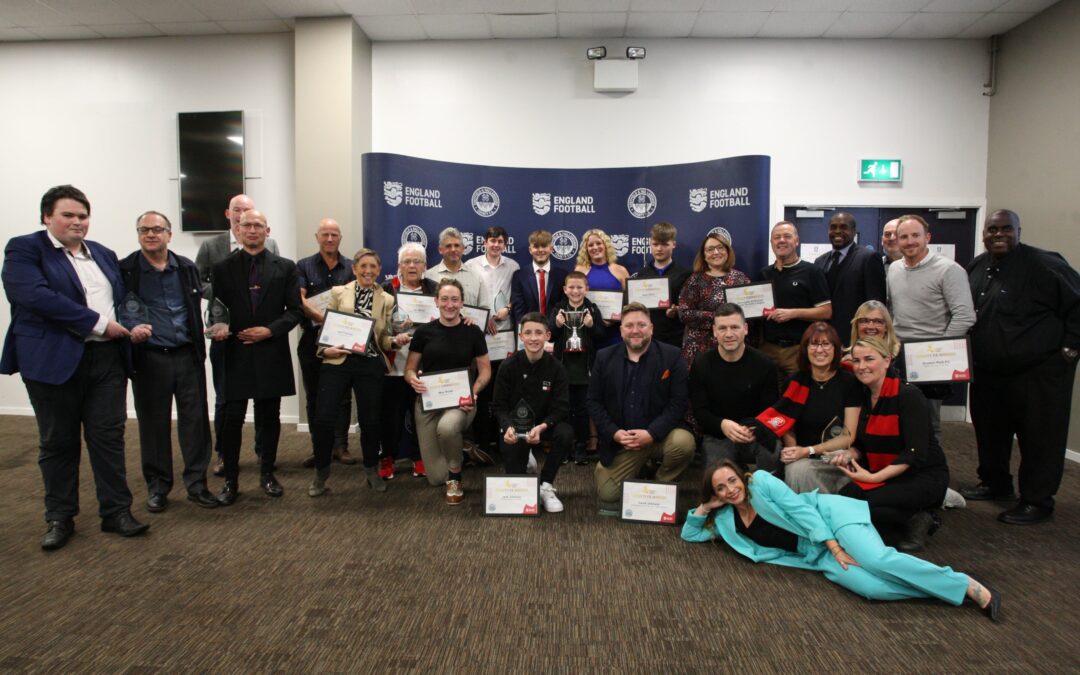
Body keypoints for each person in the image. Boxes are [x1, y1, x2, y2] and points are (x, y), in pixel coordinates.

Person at [1, 185, 148, 550]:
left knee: (109, 439)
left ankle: (116, 512)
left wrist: (133, 324)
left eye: (83, 216)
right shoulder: (24, 249)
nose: (77, 222)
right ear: (47, 217)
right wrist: (100, 323)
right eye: (68, 215)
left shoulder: (103, 253)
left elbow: (121, 300)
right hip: (53, 362)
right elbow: (35, 297)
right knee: (58, 442)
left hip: (106, 360)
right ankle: (59, 518)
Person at [681, 462, 1001, 622]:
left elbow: (802, 512)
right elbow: (691, 534)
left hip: (832, 522)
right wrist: (706, 507)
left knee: (878, 561)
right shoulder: (725, 521)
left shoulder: (761, 482)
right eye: (720, 488)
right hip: (816, 556)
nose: (730, 490)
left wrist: (835, 545)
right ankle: (945, 587)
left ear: (741, 476)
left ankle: (965, 585)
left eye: (732, 481)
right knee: (872, 589)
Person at [962, 209, 1080, 525]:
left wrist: (1069, 350)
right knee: (989, 430)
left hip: (1038, 372)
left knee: (1039, 437)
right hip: (988, 370)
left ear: (1018, 231)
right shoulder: (978, 264)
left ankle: (1037, 501)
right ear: (983, 233)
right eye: (992, 229)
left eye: (1005, 229)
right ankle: (995, 483)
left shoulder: (1045, 264)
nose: (998, 235)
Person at [119, 211, 218, 512]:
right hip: (150, 358)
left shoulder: (186, 268)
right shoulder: (126, 270)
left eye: (157, 229)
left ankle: (197, 484)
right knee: (153, 424)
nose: (151, 234)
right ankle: (158, 487)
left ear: (169, 234)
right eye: (144, 230)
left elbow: (208, 302)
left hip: (187, 356)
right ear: (138, 235)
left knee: (196, 423)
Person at [208, 209, 303, 504]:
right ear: (237, 230)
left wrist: (270, 331)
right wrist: (218, 327)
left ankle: (266, 473)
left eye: (257, 225)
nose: (251, 230)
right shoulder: (222, 268)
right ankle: (232, 481)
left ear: (267, 230)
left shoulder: (285, 267)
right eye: (246, 225)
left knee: (269, 417)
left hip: (269, 350)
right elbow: (216, 309)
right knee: (233, 418)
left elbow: (295, 311)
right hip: (234, 351)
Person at [308, 249, 409, 497]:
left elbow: (382, 338)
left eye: (373, 267)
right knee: (324, 418)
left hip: (369, 363)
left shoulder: (386, 299)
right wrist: (324, 349)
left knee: (371, 420)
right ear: (354, 269)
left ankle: (371, 470)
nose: (368, 271)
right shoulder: (338, 293)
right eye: (363, 266)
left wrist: (395, 342)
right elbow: (324, 329)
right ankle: (321, 473)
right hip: (338, 360)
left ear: (378, 270)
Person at [837, 337, 950, 552]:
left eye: (869, 359)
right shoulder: (863, 396)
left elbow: (914, 453)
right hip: (889, 472)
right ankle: (914, 517)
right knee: (846, 499)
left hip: (923, 476)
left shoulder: (909, 395)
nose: (861, 367)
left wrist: (873, 478)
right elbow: (861, 444)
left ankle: (921, 517)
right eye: (857, 361)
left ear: (887, 360)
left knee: (862, 505)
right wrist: (849, 453)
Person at [194, 194, 280, 476]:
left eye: (252, 216)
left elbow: (272, 286)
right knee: (227, 403)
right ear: (232, 218)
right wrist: (228, 295)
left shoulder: (274, 249)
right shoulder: (212, 248)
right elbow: (199, 282)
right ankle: (224, 456)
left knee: (267, 406)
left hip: (263, 338)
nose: (249, 225)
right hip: (227, 336)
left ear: (265, 230)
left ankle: (263, 456)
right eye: (239, 214)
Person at [586, 303, 695, 516]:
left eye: (641, 325)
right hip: (623, 440)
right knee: (608, 495)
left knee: (684, 443)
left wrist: (652, 433)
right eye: (629, 326)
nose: (635, 330)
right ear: (621, 330)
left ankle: (660, 483)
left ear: (651, 328)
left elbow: (678, 403)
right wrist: (614, 433)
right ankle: (640, 468)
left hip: (660, 437)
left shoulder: (672, 356)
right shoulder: (604, 357)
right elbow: (593, 402)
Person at [404, 279, 492, 504]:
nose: (450, 304)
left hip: (462, 401)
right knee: (435, 477)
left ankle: (455, 477)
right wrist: (413, 379)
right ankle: (459, 447)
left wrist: (474, 391)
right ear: (436, 301)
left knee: (447, 427)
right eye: (444, 299)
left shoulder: (473, 332)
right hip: (429, 401)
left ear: (462, 302)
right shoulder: (424, 332)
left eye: (455, 299)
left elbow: (485, 372)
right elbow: (409, 370)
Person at [887, 214, 975, 438]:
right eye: (903, 236)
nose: (909, 241)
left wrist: (940, 351)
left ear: (927, 237)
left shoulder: (949, 270)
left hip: (931, 359)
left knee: (928, 423)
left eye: (915, 235)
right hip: (898, 355)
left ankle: (932, 471)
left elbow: (964, 316)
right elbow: (892, 310)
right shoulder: (894, 269)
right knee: (898, 418)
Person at [752, 322, 861, 493]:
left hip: (837, 457)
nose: (819, 350)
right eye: (814, 344)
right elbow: (786, 424)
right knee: (796, 470)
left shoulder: (849, 382)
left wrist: (808, 451)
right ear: (805, 349)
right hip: (804, 458)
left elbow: (849, 436)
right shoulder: (795, 381)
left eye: (826, 344)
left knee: (801, 471)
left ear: (836, 348)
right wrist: (793, 451)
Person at [492, 313, 572, 513]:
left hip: (543, 426)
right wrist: (506, 427)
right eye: (528, 333)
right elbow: (499, 406)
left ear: (547, 335)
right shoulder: (507, 366)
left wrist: (544, 426)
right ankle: (525, 458)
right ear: (520, 336)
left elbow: (562, 407)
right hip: (515, 429)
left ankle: (545, 485)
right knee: (517, 489)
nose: (533, 338)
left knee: (566, 432)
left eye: (538, 333)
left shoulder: (557, 368)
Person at [689, 303, 779, 470]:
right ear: (714, 331)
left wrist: (752, 428)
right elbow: (700, 412)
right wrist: (722, 424)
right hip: (718, 434)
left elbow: (770, 409)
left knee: (773, 453)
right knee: (715, 474)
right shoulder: (701, 364)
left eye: (734, 327)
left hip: (754, 432)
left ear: (745, 328)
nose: (729, 334)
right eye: (722, 328)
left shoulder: (764, 364)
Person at [296, 218, 356, 469]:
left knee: (342, 396)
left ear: (340, 238)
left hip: (344, 341)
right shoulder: (303, 266)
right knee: (314, 396)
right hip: (312, 340)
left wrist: (336, 324)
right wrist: (325, 320)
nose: (330, 239)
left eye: (334, 234)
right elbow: (300, 300)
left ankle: (341, 446)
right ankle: (319, 446)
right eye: (325, 234)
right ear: (317, 237)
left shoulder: (351, 266)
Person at [379, 242, 436, 480]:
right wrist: (393, 336)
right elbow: (376, 327)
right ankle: (387, 457)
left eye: (417, 262)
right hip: (394, 364)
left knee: (421, 416)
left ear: (425, 266)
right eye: (407, 262)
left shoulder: (434, 288)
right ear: (399, 265)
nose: (412, 266)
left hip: (423, 366)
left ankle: (419, 457)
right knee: (390, 416)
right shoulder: (385, 289)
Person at [464, 226, 520, 456]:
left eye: (500, 241)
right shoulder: (471, 266)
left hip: (505, 335)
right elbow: (467, 297)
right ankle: (483, 442)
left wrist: (507, 309)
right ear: (484, 243)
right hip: (480, 334)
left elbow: (517, 297)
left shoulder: (513, 266)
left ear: (505, 244)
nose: (495, 245)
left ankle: (503, 440)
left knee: (504, 388)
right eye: (492, 241)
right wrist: (484, 317)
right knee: (483, 388)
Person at [759, 221, 832, 378]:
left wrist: (793, 313)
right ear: (771, 242)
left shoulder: (812, 272)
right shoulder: (764, 274)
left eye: (787, 236)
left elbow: (826, 312)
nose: (782, 240)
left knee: (798, 397)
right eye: (777, 237)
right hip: (767, 350)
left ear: (796, 240)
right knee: (770, 398)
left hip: (797, 350)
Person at [549, 270, 605, 463]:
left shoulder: (593, 309)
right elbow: (551, 336)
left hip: (584, 369)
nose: (575, 291)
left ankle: (581, 446)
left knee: (582, 410)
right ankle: (565, 447)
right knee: (563, 410)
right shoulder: (558, 309)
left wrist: (591, 325)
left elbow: (601, 336)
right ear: (565, 290)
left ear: (586, 289)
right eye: (571, 287)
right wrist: (556, 325)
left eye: (579, 287)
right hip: (563, 369)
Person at [678, 231, 751, 372]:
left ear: (728, 251)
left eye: (720, 247)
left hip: (733, 347)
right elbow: (684, 314)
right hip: (699, 348)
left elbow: (750, 312)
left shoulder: (741, 279)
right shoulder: (694, 280)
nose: (716, 252)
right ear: (704, 255)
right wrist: (719, 318)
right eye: (710, 249)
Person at [814, 212, 886, 346]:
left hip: (856, 338)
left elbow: (876, 304)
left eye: (843, 227)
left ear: (853, 231)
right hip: (826, 338)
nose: (837, 231)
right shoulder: (820, 261)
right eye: (833, 227)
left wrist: (869, 341)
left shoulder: (868, 258)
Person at [630, 222, 690, 349]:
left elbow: (690, 308)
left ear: (673, 244)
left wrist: (677, 310)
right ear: (650, 244)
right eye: (655, 244)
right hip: (646, 337)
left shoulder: (685, 274)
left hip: (674, 338)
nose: (659, 249)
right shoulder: (641, 275)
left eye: (664, 244)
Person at [575, 228, 630, 347]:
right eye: (590, 245)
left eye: (599, 243)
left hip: (616, 333)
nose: (595, 247)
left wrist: (617, 317)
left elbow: (630, 302)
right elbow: (574, 300)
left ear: (606, 246)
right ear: (586, 249)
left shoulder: (621, 271)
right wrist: (595, 319)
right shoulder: (580, 271)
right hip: (589, 332)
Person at [510, 229, 567, 323]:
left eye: (544, 246)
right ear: (530, 250)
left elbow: (564, 306)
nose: (540, 250)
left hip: (556, 330)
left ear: (551, 249)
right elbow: (518, 309)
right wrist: (527, 330)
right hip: (529, 332)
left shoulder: (562, 275)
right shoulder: (519, 276)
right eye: (536, 247)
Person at [424, 226, 488, 307]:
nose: (453, 249)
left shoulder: (476, 277)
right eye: (448, 246)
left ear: (463, 248)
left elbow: (484, 309)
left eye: (457, 245)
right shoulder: (429, 276)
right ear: (440, 249)